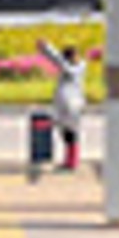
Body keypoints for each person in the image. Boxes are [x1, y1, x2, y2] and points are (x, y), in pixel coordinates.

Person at [37, 38, 86, 171]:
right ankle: (70, 161)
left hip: (70, 105)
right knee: (68, 134)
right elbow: (59, 60)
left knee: (70, 134)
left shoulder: (71, 69)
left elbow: (57, 60)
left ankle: (71, 162)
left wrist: (46, 48)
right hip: (72, 104)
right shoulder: (79, 67)